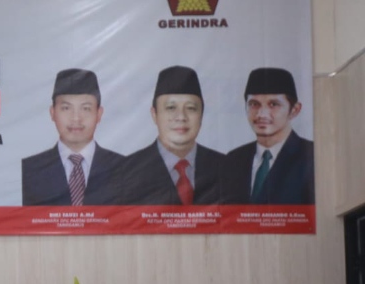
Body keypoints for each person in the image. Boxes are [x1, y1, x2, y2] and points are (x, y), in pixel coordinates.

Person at [119, 65, 225, 205]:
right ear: (154, 114)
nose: (181, 117)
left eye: (191, 108)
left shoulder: (225, 168)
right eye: (171, 108)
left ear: (201, 115)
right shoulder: (127, 171)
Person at [21, 69, 124, 206]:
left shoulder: (124, 168)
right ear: (52, 113)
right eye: (66, 108)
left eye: (85, 108)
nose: (76, 118)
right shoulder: (29, 170)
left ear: (99, 114)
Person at [222, 67, 315, 205]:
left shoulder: (312, 156)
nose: (261, 114)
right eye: (254, 104)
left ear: (294, 110)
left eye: (273, 104)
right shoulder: (233, 161)